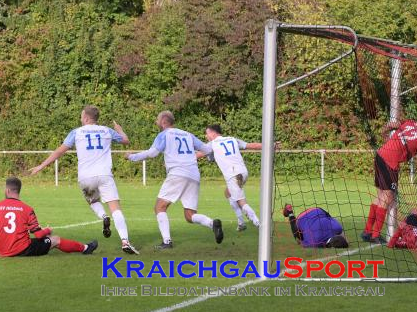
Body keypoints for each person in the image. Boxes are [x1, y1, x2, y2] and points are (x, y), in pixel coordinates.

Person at [28, 105, 138, 254]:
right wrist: (119, 130)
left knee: (93, 201)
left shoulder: (76, 133)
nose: (80, 118)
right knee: (115, 208)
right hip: (105, 174)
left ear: (86, 118)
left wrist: (41, 166)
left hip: (86, 177)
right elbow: (126, 141)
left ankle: (103, 216)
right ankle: (125, 241)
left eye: (81, 116)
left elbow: (59, 151)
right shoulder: (107, 130)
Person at [125, 110, 223, 249]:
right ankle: (212, 224)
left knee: (160, 207)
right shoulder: (187, 134)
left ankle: (167, 242)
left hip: (178, 174)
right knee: (190, 215)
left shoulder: (164, 134)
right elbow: (207, 149)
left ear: (164, 121)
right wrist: (212, 158)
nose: (156, 122)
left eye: (157, 120)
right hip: (194, 175)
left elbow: (152, 153)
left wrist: (131, 156)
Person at [362, 119, 417, 244]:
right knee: (387, 197)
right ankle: (375, 235)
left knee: (380, 196)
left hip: (380, 155)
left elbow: (393, 124)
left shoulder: (413, 123)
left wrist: (384, 134)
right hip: (390, 163)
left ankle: (367, 231)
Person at [0, 177, 97, 257]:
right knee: (55, 239)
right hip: (22, 250)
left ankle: (83, 248)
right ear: (18, 190)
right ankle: (85, 248)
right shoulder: (27, 209)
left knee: (46, 240)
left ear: (7, 190)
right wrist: (48, 230)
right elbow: (38, 235)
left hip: (3, 252)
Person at [199, 124, 261, 231]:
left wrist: (181, 162)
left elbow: (198, 155)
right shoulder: (232, 139)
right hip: (243, 171)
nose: (206, 136)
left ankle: (258, 223)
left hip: (233, 174)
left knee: (241, 201)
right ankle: (241, 222)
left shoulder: (212, 144)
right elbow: (252, 145)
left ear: (213, 133)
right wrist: (271, 145)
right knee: (228, 193)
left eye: (207, 133)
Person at [282, 204, 348, 248]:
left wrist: (344, 239)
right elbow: (303, 243)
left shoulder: (337, 228)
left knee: (327, 218)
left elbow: (342, 233)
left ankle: (289, 211)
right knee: (299, 239)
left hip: (317, 210)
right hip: (302, 218)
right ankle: (290, 213)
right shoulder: (315, 243)